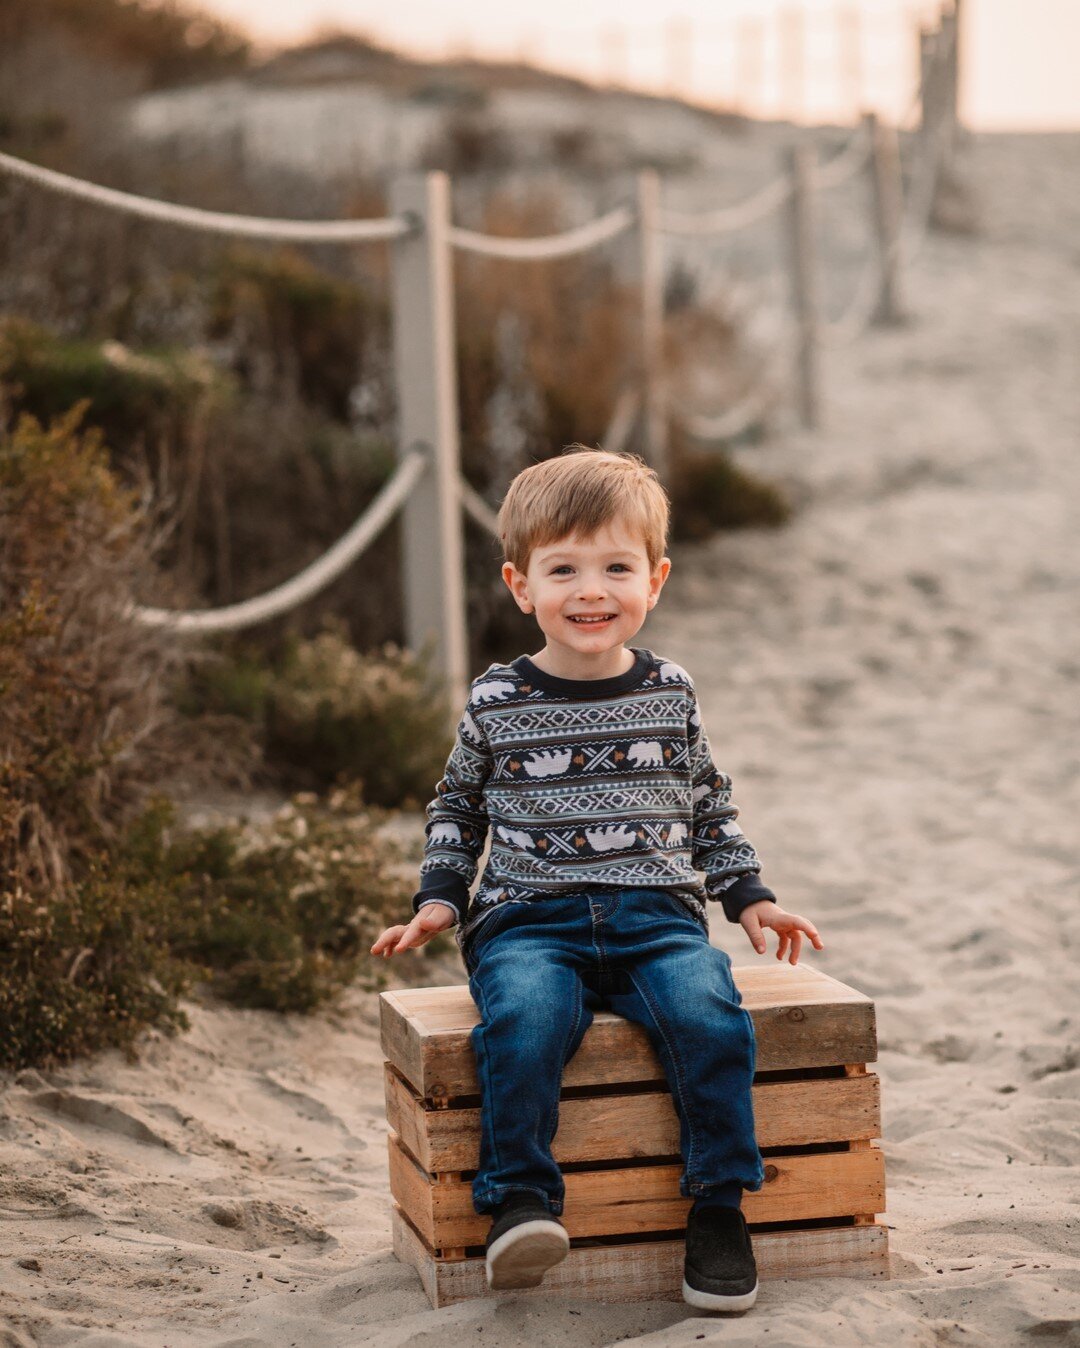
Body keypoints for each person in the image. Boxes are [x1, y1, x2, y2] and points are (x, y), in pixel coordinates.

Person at [371, 446, 823, 1312]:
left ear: (654, 579)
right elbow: (456, 809)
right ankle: (522, 1203)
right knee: (526, 1022)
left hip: (658, 916)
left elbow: (709, 808)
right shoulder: (497, 701)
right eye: (564, 569)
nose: (591, 590)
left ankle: (718, 1209)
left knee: (710, 1018)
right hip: (527, 918)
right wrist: (437, 898)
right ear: (520, 583)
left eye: (616, 567)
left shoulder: (670, 693)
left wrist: (750, 897)